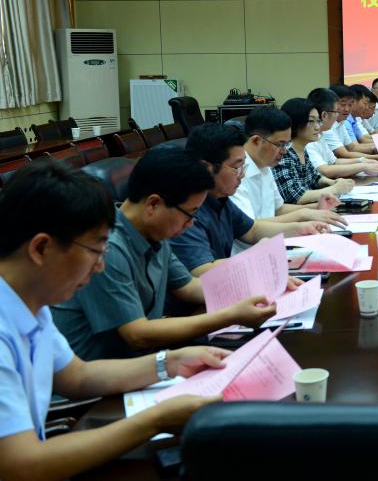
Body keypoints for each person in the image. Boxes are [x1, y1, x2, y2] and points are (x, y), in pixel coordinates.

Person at [0, 161, 229, 480]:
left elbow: (77, 376)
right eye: (95, 250)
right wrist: (155, 420)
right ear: (41, 248)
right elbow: (20, 465)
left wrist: (171, 362)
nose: (99, 267)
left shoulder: (31, 303)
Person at [52, 148, 277, 361]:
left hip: (144, 360)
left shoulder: (154, 233)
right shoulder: (106, 247)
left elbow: (189, 287)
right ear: (153, 204)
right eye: (189, 214)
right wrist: (231, 315)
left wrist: (259, 284)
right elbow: (138, 333)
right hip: (104, 377)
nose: (191, 224)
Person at [171, 123, 334, 275]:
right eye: (236, 167)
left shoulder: (221, 198)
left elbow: (252, 230)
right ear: (206, 168)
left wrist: (301, 228)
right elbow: (200, 271)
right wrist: (254, 258)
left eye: (243, 166)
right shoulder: (187, 207)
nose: (242, 174)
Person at [231, 107, 347, 228]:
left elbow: (279, 209)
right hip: (260, 240)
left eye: (287, 144)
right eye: (280, 144)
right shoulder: (236, 174)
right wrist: (302, 215)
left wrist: (317, 207)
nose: (284, 151)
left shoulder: (265, 165)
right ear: (256, 141)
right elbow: (250, 228)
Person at [272, 98, 355, 205]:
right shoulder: (284, 153)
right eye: (311, 121)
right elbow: (295, 196)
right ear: (295, 122)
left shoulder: (302, 149)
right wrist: (335, 189)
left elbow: (315, 177)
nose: (317, 127)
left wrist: (333, 182)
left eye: (318, 121)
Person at [306, 88, 378, 179]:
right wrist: (363, 166)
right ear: (324, 115)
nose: (346, 110)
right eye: (336, 111)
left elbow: (334, 161)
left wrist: (363, 161)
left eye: (350, 105)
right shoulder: (309, 138)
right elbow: (324, 170)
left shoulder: (320, 134)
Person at [324, 84, 378, 162]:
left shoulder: (341, 122)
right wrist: (377, 157)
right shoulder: (326, 126)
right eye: (343, 105)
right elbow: (343, 154)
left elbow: (352, 147)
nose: (347, 109)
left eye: (350, 105)